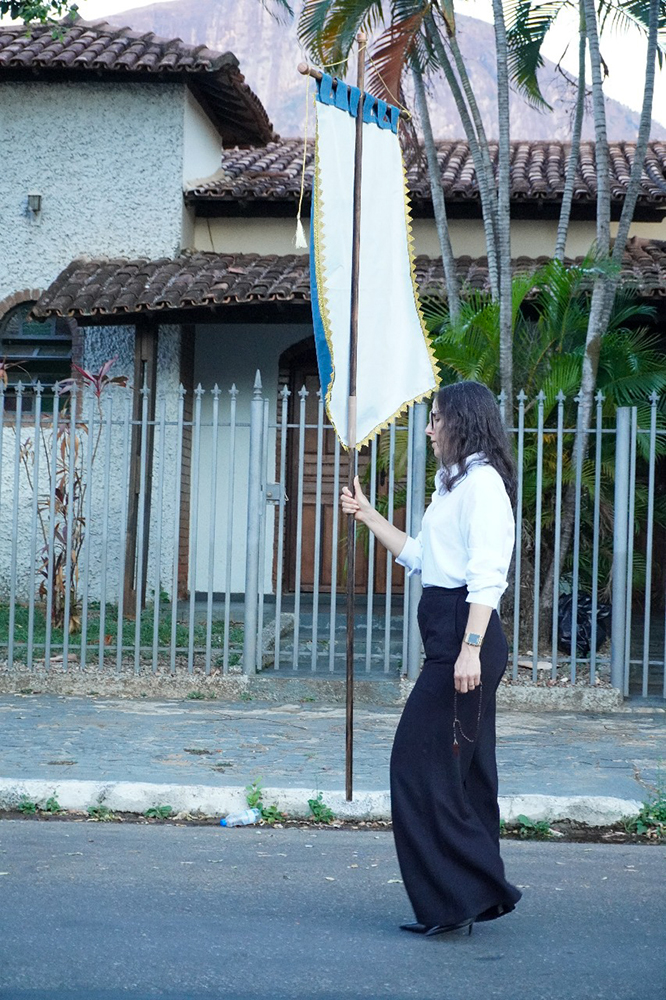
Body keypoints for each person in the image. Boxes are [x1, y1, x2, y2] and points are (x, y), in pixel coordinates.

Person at [341, 380, 522, 938]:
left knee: (418, 766)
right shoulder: (453, 484)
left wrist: (470, 650)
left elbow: (488, 576)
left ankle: (459, 895)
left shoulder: (483, 486)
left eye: (436, 419)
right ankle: (468, 897)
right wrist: (369, 515)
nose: (428, 429)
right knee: (470, 773)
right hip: (448, 633)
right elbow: (424, 557)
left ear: (461, 422)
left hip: (465, 638)